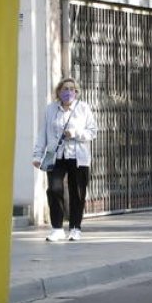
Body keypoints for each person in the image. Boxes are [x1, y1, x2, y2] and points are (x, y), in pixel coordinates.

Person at [32, 77, 99, 242]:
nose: (68, 92)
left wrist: (75, 133)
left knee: (77, 192)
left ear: (76, 92)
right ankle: (57, 228)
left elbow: (92, 131)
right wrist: (37, 155)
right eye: (65, 89)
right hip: (55, 155)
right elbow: (43, 133)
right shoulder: (50, 109)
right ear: (59, 91)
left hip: (78, 157)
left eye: (72, 89)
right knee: (54, 190)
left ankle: (75, 228)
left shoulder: (83, 108)